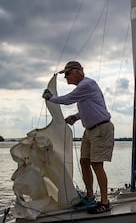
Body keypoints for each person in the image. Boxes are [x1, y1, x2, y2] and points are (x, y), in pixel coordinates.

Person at [42, 61, 114, 214]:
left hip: (101, 129)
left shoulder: (86, 85)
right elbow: (91, 108)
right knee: (84, 161)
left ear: (77, 71)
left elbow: (68, 99)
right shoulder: (84, 90)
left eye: (67, 74)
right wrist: (75, 117)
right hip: (90, 130)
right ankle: (90, 195)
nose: (66, 78)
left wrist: (50, 98)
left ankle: (105, 202)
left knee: (96, 165)